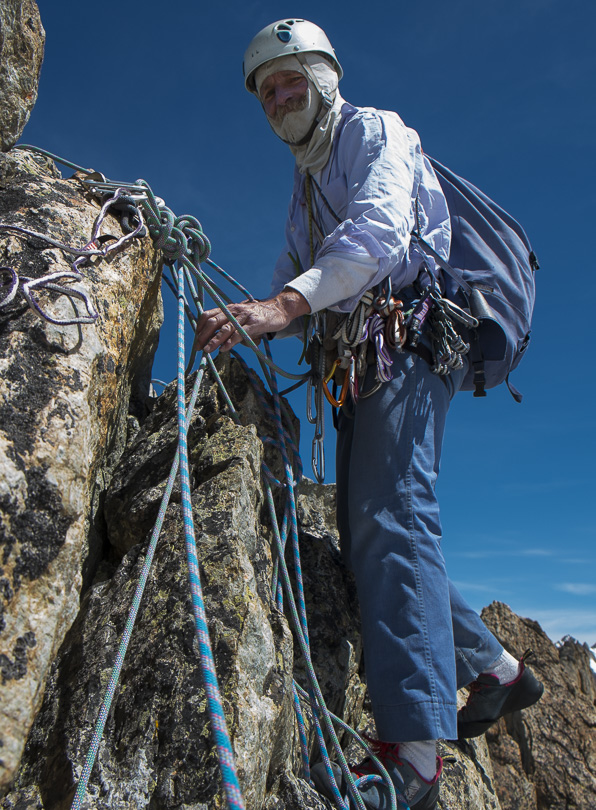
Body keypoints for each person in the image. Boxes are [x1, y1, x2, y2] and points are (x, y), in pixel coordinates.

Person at [193, 19, 543, 810]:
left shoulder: (377, 132)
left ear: (325, 80)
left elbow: (381, 232)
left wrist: (284, 305)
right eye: (268, 93)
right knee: (368, 529)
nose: (281, 100)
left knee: (392, 515)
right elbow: (298, 265)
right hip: (366, 354)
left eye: (292, 83)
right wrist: (249, 308)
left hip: (412, 337)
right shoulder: (307, 185)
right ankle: (493, 669)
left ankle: (414, 756)